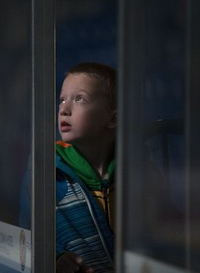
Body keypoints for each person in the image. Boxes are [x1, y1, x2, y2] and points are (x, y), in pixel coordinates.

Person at [55, 62, 117, 273]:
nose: (64, 109)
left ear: (113, 118)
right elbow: (27, 228)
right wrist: (56, 257)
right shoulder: (47, 168)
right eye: (62, 99)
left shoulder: (138, 169)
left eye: (79, 99)